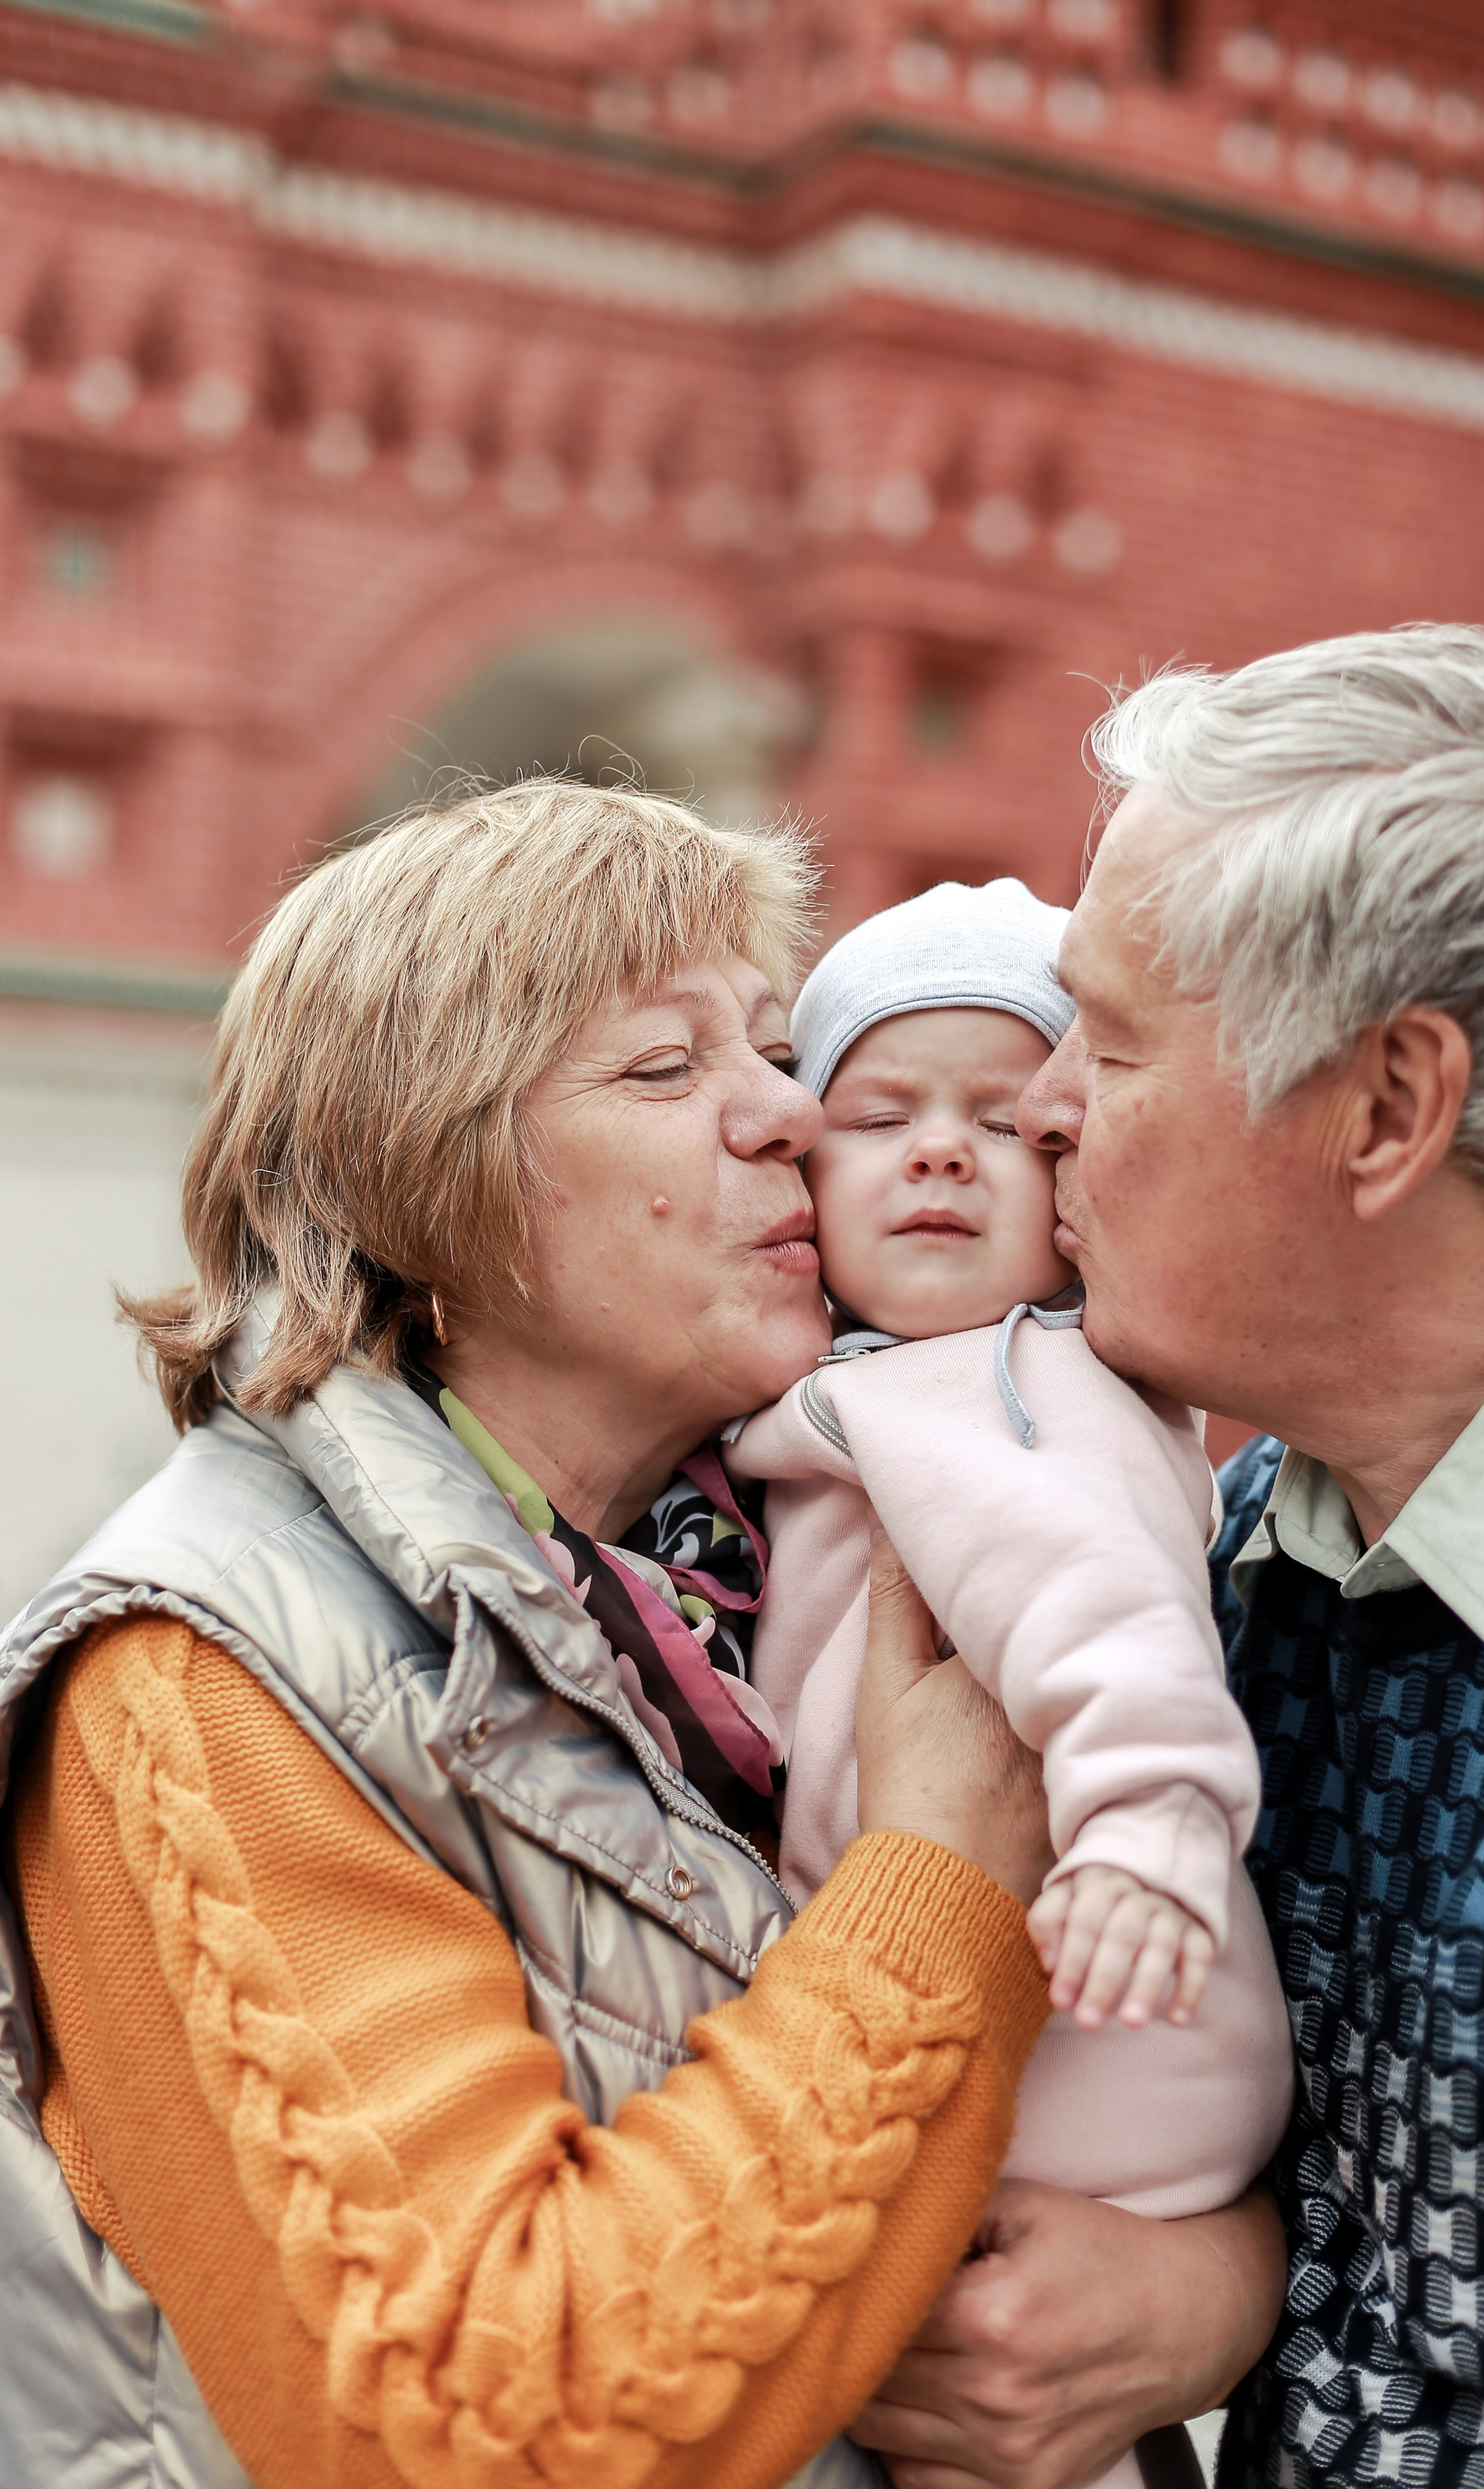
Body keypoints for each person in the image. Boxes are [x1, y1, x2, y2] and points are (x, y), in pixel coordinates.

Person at [0, 782, 1065, 2489]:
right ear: (420, 1178)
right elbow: (476, 2434)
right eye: (663, 1068)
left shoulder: (759, 1572)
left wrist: (1197, 2291)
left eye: (775, 1050)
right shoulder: (196, 1688)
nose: (791, 1114)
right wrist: (941, 1887)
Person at [903, 622, 1484, 2489]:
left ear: (1389, 1107)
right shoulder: (1219, 1559)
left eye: (1115, 1044)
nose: (1044, 1108)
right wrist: (1218, 2286)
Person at [738, 877, 1294, 2489]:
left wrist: (1147, 1823)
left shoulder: (1015, 1393)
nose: (936, 1150)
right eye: (877, 1112)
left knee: (975, 2406)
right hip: (1041, 2023)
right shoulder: (883, 1391)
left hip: (1093, 2025)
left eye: (1006, 1121)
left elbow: (1103, 1608)